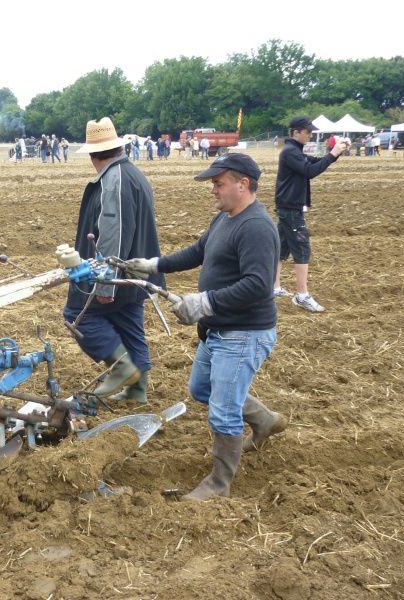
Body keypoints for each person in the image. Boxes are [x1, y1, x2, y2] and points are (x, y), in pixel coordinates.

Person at [123, 153, 286, 501]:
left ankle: (218, 485)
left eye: (218, 183)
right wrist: (152, 265)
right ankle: (266, 420)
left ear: (243, 184)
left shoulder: (256, 226)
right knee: (201, 389)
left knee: (224, 411)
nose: (213, 190)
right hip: (218, 331)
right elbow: (199, 251)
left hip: (244, 334)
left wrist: (204, 303)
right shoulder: (225, 219)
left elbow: (259, 284)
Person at [64, 117, 166, 404]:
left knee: (77, 314)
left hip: (118, 273)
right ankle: (137, 389)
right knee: (128, 321)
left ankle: (121, 368)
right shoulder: (134, 173)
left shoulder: (114, 180)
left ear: (93, 155)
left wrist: (105, 283)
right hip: (137, 270)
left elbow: (113, 232)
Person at [272, 115, 348, 312]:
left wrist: (335, 154)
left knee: (282, 248)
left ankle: (274, 288)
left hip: (287, 206)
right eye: (307, 132)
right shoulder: (291, 152)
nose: (310, 135)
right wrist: (333, 153)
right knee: (302, 249)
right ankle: (302, 295)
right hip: (291, 209)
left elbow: (313, 163)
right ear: (296, 132)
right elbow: (310, 171)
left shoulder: (294, 151)